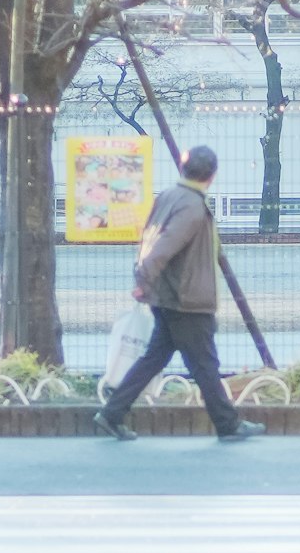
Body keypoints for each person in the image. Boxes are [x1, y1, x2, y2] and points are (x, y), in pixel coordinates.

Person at [96, 145, 258, 442]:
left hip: (168, 297)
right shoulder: (193, 207)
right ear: (212, 175)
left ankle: (111, 414)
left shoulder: (170, 196)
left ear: (183, 170)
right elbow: (165, 246)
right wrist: (144, 279)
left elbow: (149, 236)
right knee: (205, 365)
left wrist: (146, 282)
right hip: (187, 300)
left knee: (154, 359)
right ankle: (228, 425)